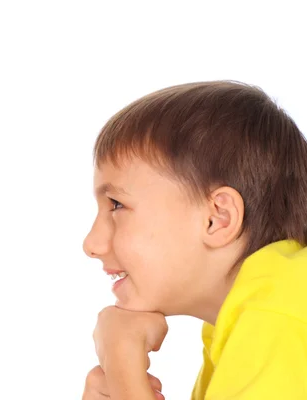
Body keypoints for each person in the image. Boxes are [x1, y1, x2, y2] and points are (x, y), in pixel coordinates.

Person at [81, 81, 307, 399]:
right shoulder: (243, 320)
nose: (92, 244)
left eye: (117, 205)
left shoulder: (278, 319)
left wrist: (122, 365)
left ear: (217, 218)